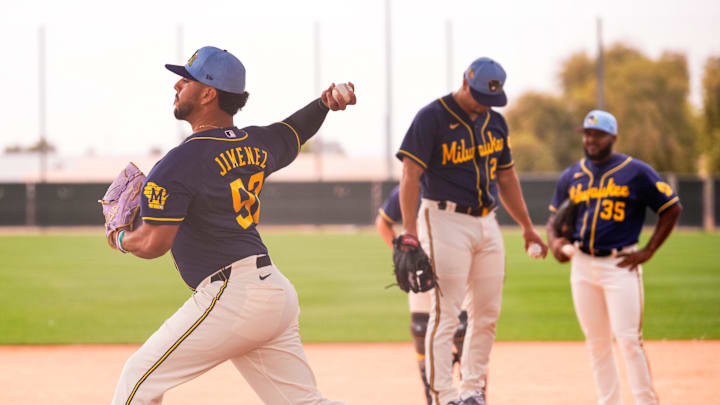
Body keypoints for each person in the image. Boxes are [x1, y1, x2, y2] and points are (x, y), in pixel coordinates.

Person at [106, 46, 355, 405]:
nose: (177, 85)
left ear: (208, 93)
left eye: (187, 79)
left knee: (137, 380)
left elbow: (152, 243)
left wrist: (118, 237)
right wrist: (324, 104)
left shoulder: (178, 162)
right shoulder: (258, 143)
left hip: (233, 294)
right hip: (272, 292)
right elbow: (295, 129)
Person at [395, 57, 547, 405]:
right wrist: (408, 232)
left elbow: (506, 178)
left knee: (487, 312)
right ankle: (444, 394)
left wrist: (527, 227)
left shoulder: (496, 122)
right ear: (465, 82)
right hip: (443, 219)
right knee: (446, 311)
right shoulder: (432, 116)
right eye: (479, 95)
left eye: (491, 98)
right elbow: (410, 176)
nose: (484, 104)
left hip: (486, 222)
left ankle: (472, 390)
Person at [546, 110, 681, 405]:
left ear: (613, 137)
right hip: (582, 265)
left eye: (598, 134)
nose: (591, 139)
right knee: (597, 345)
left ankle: (646, 402)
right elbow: (554, 222)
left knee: (629, 341)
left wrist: (649, 250)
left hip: (621, 265)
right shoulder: (572, 175)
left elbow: (671, 207)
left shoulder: (636, 171)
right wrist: (556, 243)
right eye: (587, 134)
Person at [375, 185, 468, 405]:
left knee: (464, 332)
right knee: (421, 330)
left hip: (457, 266)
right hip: (421, 272)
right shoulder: (408, 189)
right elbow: (383, 223)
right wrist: (403, 257)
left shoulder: (456, 182)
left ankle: (470, 395)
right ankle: (431, 397)